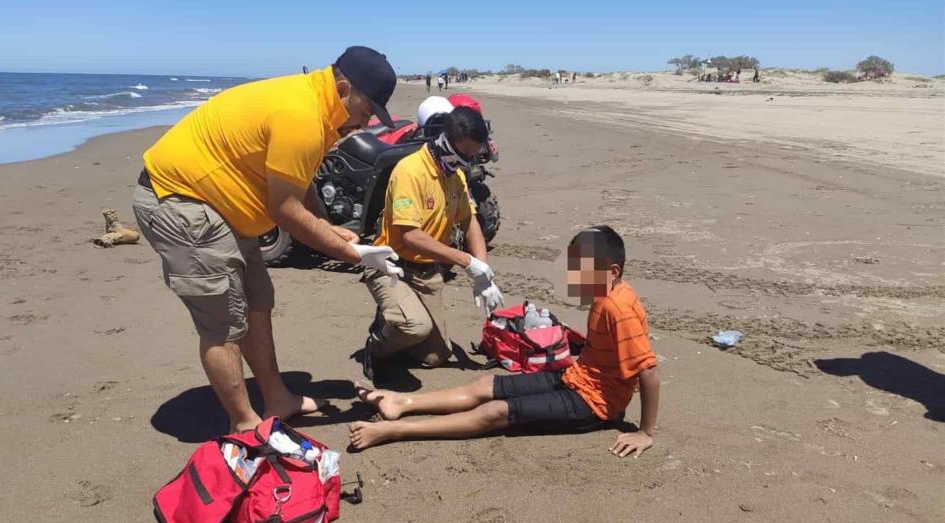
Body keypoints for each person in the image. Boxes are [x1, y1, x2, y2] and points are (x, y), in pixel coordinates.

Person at [133, 46, 405, 433]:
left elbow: (300, 178)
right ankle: (245, 425)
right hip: (181, 201)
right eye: (366, 110)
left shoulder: (323, 107)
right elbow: (285, 210)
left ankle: (277, 396)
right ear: (343, 87)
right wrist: (352, 254)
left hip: (226, 205)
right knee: (223, 322)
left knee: (257, 300)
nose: (365, 122)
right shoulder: (302, 114)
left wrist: (328, 228)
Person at [349, 226, 661, 460]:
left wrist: (645, 432)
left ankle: (393, 430)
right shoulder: (605, 295)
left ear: (613, 271)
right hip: (576, 378)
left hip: (595, 404)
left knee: (494, 412)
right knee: (486, 384)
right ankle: (402, 403)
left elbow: (648, 372)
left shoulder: (618, 308)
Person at [360, 106, 504, 380]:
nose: (469, 161)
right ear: (448, 143)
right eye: (466, 154)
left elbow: (469, 220)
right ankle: (377, 344)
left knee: (435, 356)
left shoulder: (455, 175)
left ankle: (397, 323)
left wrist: (484, 272)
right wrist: (467, 261)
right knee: (414, 327)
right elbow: (410, 236)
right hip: (391, 267)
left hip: (427, 273)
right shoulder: (410, 172)